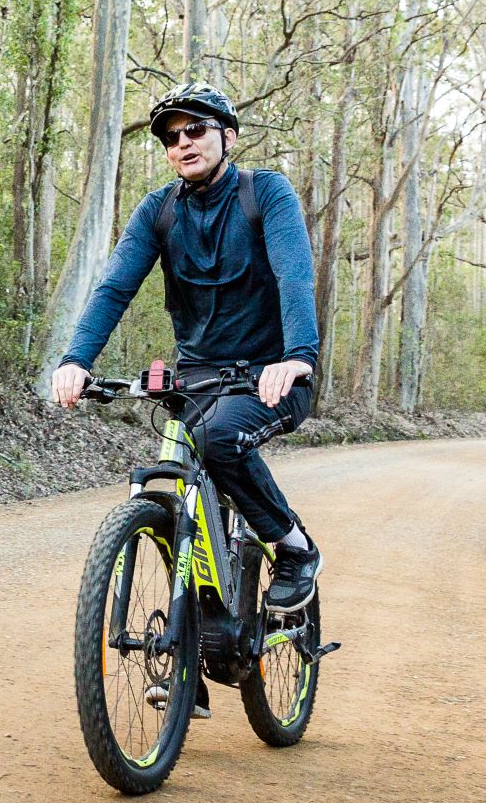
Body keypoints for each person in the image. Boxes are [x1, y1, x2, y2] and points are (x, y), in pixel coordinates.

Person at [49, 82, 324, 613]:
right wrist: (76, 360)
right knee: (184, 470)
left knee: (220, 438)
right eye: (171, 137)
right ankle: (189, 657)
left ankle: (295, 548)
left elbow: (295, 276)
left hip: (270, 377)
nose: (183, 143)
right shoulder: (159, 211)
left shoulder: (265, 193)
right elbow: (114, 288)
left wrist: (297, 358)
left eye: (196, 129)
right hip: (197, 379)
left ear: (229, 136)